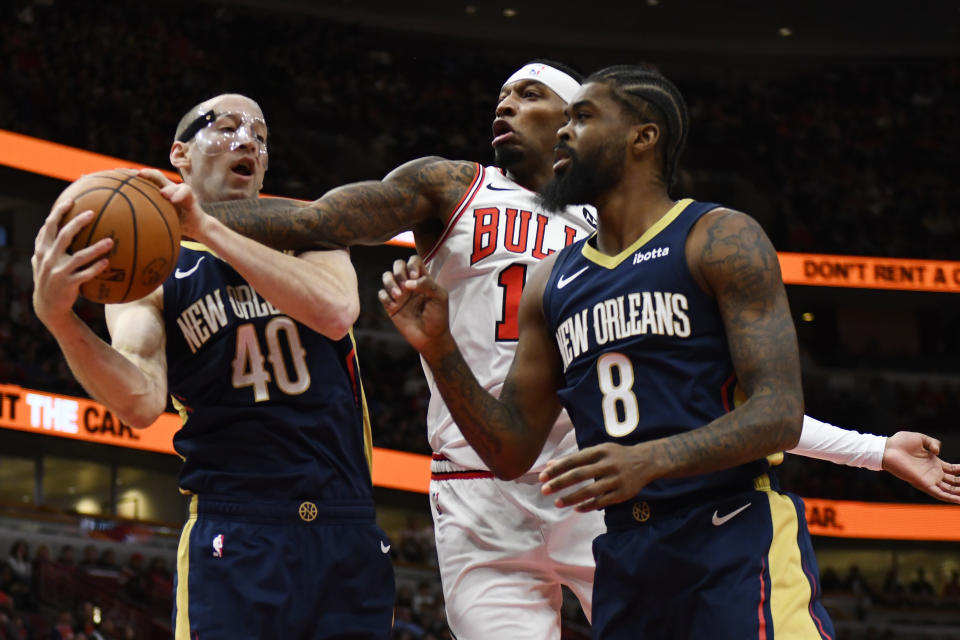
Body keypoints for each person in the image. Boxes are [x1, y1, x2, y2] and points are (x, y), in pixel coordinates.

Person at [156, 61, 960, 639]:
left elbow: (734, 396)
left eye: (533, 95)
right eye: (502, 93)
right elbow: (318, 222)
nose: (506, 104)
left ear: (592, 124)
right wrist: (177, 216)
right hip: (484, 486)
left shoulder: (643, 240)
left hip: (608, 491)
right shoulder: (452, 187)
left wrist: (870, 448)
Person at [31, 93, 394, 639]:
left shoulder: (308, 227)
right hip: (235, 526)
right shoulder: (150, 273)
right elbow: (139, 401)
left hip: (344, 522)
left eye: (260, 136)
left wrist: (206, 226)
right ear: (179, 154)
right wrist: (59, 319)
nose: (247, 140)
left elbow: (335, 311)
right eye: (224, 128)